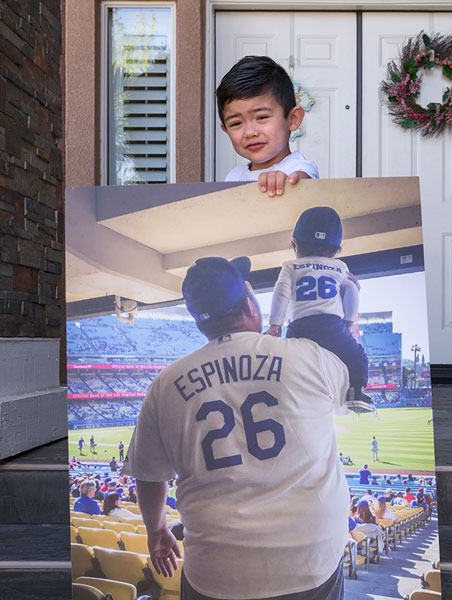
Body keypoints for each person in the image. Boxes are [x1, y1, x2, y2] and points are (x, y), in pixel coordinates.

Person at [125, 256, 349, 600]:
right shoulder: (309, 356)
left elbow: (149, 473)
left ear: (200, 322)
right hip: (311, 564)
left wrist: (156, 530)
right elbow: (350, 394)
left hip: (215, 574)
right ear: (249, 305)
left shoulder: (164, 385)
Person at [265, 206, 374, 413]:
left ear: (295, 244)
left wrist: (275, 325)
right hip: (331, 326)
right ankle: (356, 393)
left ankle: (289, 396)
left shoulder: (290, 266)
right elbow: (351, 290)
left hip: (299, 327)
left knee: (291, 363)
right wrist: (348, 323)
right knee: (357, 356)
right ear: (335, 252)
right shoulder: (340, 267)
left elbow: (281, 292)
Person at [217, 55, 318, 196]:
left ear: (293, 119)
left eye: (261, 117)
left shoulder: (298, 168)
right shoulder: (233, 177)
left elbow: (304, 182)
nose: (250, 132)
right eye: (236, 123)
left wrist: (289, 183)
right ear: (226, 130)